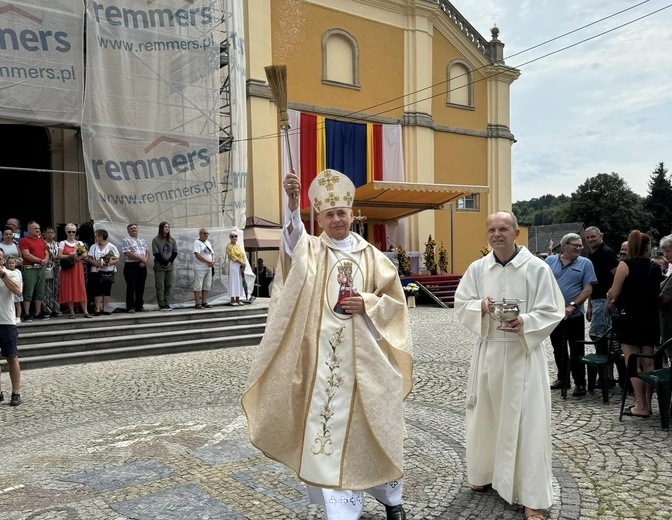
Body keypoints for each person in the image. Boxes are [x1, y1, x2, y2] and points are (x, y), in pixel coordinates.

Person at [242, 170, 413, 520]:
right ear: (319, 218)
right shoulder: (313, 250)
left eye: (341, 213)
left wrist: (368, 303)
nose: (336, 219)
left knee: (376, 433)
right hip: (323, 367)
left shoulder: (374, 257)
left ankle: (391, 500)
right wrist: (292, 205)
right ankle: (342, 512)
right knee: (329, 439)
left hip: (369, 364)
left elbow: (395, 306)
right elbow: (292, 246)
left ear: (353, 215)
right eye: (328, 214)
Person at [454, 211, 564, 520]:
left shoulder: (537, 268)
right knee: (485, 416)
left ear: (517, 233)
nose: (496, 234)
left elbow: (553, 309)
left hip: (522, 355)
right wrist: (481, 307)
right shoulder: (478, 269)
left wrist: (526, 321)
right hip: (489, 353)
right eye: (491, 229)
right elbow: (461, 304)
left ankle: (532, 498)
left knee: (528, 425)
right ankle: (485, 472)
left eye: (503, 228)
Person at [607, 230, 662, 418]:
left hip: (630, 318)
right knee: (648, 362)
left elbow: (614, 293)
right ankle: (649, 404)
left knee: (631, 361)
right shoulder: (655, 267)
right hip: (651, 318)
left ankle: (641, 404)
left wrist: (611, 299)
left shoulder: (625, 265)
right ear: (648, 247)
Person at [545, 233, 596, 396]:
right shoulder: (550, 261)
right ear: (564, 245)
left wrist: (573, 305)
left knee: (576, 349)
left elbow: (588, 288)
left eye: (580, 246)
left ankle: (580, 383)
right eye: (575, 245)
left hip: (574, 315)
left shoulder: (585, 263)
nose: (579, 248)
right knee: (558, 348)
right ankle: (563, 378)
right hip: (554, 314)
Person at [584, 226, 619, 387]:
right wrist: (589, 305)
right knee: (601, 337)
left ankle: (606, 374)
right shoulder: (592, 255)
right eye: (588, 237)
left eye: (593, 237)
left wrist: (613, 300)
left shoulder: (606, 253)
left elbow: (618, 276)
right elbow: (591, 282)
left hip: (605, 301)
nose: (590, 240)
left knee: (601, 336)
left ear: (601, 236)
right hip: (596, 300)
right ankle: (607, 374)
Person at [0, 249, 23, 406]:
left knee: (11, 357)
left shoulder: (12, 273)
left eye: (0, 257)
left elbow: (16, 290)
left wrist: (2, 274)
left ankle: (16, 392)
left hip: (6, 321)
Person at [58, 223, 92, 319]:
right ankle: (71, 311)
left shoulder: (79, 243)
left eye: (73, 232)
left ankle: (85, 311)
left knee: (81, 288)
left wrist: (78, 255)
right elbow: (59, 256)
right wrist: (71, 255)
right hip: (68, 268)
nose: (71, 233)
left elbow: (85, 255)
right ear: (66, 232)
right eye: (69, 232)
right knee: (69, 289)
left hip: (78, 267)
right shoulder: (62, 243)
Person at [19, 221, 50, 321]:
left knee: (40, 292)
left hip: (41, 268)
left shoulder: (41, 240)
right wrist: (41, 260)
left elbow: (46, 252)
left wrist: (45, 260)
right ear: (28, 230)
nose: (37, 230)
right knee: (28, 291)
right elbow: (26, 254)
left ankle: (37, 312)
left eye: (38, 228)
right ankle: (27, 313)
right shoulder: (24, 240)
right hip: (30, 268)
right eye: (35, 228)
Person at [87, 229, 120, 315]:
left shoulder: (111, 247)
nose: (95, 238)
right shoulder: (93, 246)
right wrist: (95, 263)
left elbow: (116, 259)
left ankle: (105, 308)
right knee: (96, 290)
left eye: (96, 236)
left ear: (101, 237)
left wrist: (108, 263)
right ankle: (97, 309)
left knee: (106, 290)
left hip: (107, 271)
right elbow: (89, 257)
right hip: (96, 271)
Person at [122, 223, 149, 313]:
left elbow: (147, 252)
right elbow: (128, 253)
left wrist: (144, 261)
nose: (134, 230)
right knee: (131, 286)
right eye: (131, 229)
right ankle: (130, 307)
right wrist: (142, 259)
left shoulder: (142, 240)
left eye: (135, 228)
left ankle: (139, 306)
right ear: (128, 231)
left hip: (142, 265)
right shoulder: (126, 240)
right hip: (131, 266)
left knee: (141, 286)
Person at [152, 221, 178, 311]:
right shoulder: (156, 240)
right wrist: (164, 262)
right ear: (161, 228)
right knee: (160, 286)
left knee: (169, 285)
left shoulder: (172, 240)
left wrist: (169, 262)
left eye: (168, 227)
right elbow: (156, 253)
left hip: (170, 267)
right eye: (165, 227)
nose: (167, 228)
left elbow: (175, 252)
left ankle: (167, 303)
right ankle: (161, 304)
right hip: (159, 267)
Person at [42, 226, 62, 317]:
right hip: (47, 267)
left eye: (52, 232)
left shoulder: (58, 244)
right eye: (48, 232)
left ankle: (56, 309)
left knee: (57, 288)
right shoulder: (43, 243)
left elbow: (59, 255)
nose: (50, 234)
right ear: (44, 234)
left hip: (57, 268)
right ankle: (47, 309)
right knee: (47, 289)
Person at [193, 228, 214, 309]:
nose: (206, 235)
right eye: (204, 233)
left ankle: (204, 302)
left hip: (208, 268)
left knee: (207, 285)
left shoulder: (208, 243)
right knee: (198, 285)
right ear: (200, 234)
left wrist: (212, 261)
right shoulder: (196, 242)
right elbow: (197, 255)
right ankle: (197, 303)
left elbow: (212, 253)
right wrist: (207, 262)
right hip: (200, 267)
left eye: (207, 233)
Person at [225, 231, 246, 306]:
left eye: (235, 236)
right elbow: (232, 256)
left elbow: (243, 255)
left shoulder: (239, 246)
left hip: (239, 265)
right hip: (233, 265)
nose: (234, 238)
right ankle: (232, 300)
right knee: (233, 281)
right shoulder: (229, 246)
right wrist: (241, 262)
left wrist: (244, 264)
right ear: (230, 237)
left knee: (239, 281)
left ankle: (238, 299)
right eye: (232, 236)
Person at [5, 257, 22, 324]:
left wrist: (20, 290)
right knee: (11, 304)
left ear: (15, 264)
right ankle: (12, 316)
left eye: (13, 263)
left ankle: (18, 317)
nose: (11, 265)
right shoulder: (6, 271)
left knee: (17, 304)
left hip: (17, 290)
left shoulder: (18, 272)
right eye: (9, 263)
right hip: (9, 291)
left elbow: (20, 281)